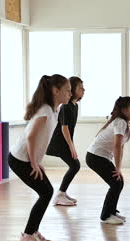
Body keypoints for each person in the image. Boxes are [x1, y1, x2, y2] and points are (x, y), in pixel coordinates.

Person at [8, 74, 71, 241]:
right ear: (55, 90)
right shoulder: (44, 110)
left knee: (46, 191)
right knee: (46, 192)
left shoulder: (53, 111)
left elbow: (39, 139)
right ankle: (28, 236)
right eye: (67, 90)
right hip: (19, 159)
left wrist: (35, 160)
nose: (69, 94)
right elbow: (31, 137)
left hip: (25, 159)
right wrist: (33, 163)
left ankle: (32, 232)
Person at [85, 96, 130, 224]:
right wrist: (117, 168)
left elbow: (121, 147)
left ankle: (112, 212)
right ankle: (106, 215)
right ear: (124, 109)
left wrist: (118, 168)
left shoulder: (123, 122)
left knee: (118, 182)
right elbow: (116, 146)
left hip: (98, 156)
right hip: (95, 156)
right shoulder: (120, 122)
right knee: (116, 183)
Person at [46, 77, 85, 206]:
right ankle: (59, 195)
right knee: (75, 165)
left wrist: (71, 146)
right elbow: (64, 128)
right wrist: (71, 147)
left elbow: (70, 129)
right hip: (58, 143)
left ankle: (62, 193)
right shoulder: (66, 107)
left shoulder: (74, 106)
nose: (83, 90)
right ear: (72, 90)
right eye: (80, 88)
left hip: (64, 142)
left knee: (74, 165)